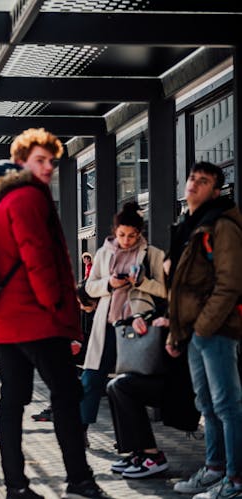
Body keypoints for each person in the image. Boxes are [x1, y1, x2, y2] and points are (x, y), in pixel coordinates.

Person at [0, 128, 109, 499]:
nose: (48, 167)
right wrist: (59, 312)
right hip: (35, 318)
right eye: (40, 160)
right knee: (67, 395)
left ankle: (16, 487)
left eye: (52, 160)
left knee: (13, 399)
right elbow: (39, 258)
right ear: (21, 163)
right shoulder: (29, 197)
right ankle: (79, 480)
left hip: (6, 320)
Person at [166, 162, 242, 498]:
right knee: (208, 404)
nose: (194, 184)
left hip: (217, 330)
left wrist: (204, 327)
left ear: (216, 190)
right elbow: (181, 288)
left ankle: (236, 480)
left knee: (227, 404)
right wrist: (177, 331)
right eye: (192, 179)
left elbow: (230, 283)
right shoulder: (190, 226)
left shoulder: (222, 225)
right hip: (196, 332)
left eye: (204, 181)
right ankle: (215, 470)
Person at [81, 202, 167, 445]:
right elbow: (90, 286)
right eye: (121, 235)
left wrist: (140, 282)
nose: (126, 240)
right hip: (107, 325)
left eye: (132, 235)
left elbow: (164, 291)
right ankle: (82, 429)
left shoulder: (153, 255)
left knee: (128, 385)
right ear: (115, 231)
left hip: (136, 327)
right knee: (92, 378)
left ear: (140, 233)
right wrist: (110, 283)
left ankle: (127, 438)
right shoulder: (103, 252)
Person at [106, 314, 199, 479]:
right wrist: (137, 318)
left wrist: (173, 323)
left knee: (123, 387)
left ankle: (152, 456)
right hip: (161, 369)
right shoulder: (170, 295)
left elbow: (200, 317)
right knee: (114, 386)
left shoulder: (189, 295)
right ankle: (139, 452)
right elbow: (151, 311)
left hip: (182, 377)